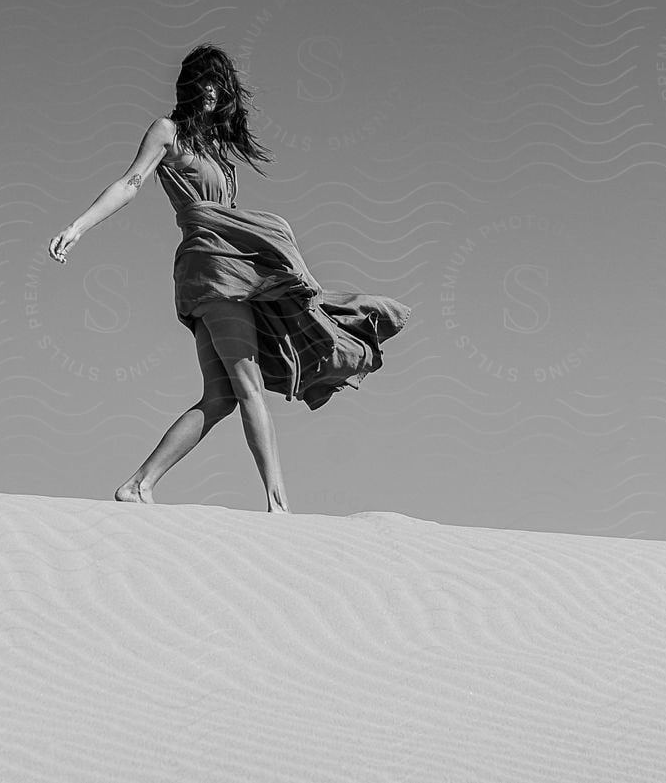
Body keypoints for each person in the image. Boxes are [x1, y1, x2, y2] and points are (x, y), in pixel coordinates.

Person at [48, 43, 412, 513]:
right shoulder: (167, 131)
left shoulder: (218, 150)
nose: (212, 92)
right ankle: (278, 504)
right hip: (210, 268)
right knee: (249, 386)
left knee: (220, 397)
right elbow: (132, 181)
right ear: (189, 84)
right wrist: (78, 226)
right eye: (205, 81)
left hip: (233, 267)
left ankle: (138, 485)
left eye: (219, 84)